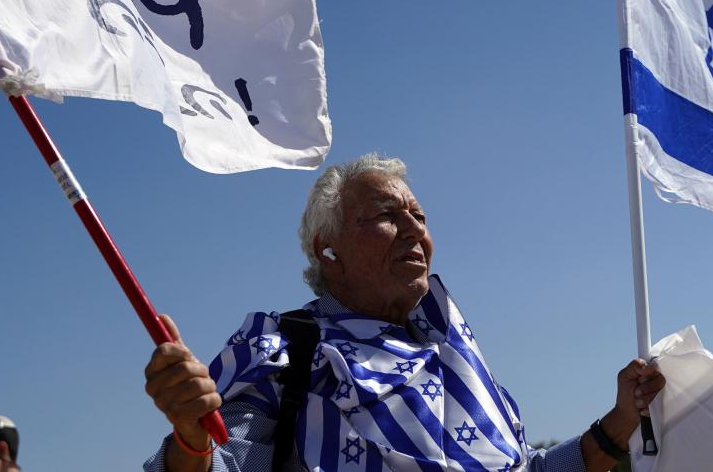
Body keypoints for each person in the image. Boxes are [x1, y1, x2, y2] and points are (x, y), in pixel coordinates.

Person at [143, 154, 665, 471]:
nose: (416, 229)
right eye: (387, 217)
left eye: (419, 215)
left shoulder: (454, 354)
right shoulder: (283, 349)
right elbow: (223, 465)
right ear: (329, 251)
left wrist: (621, 422)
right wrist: (191, 438)